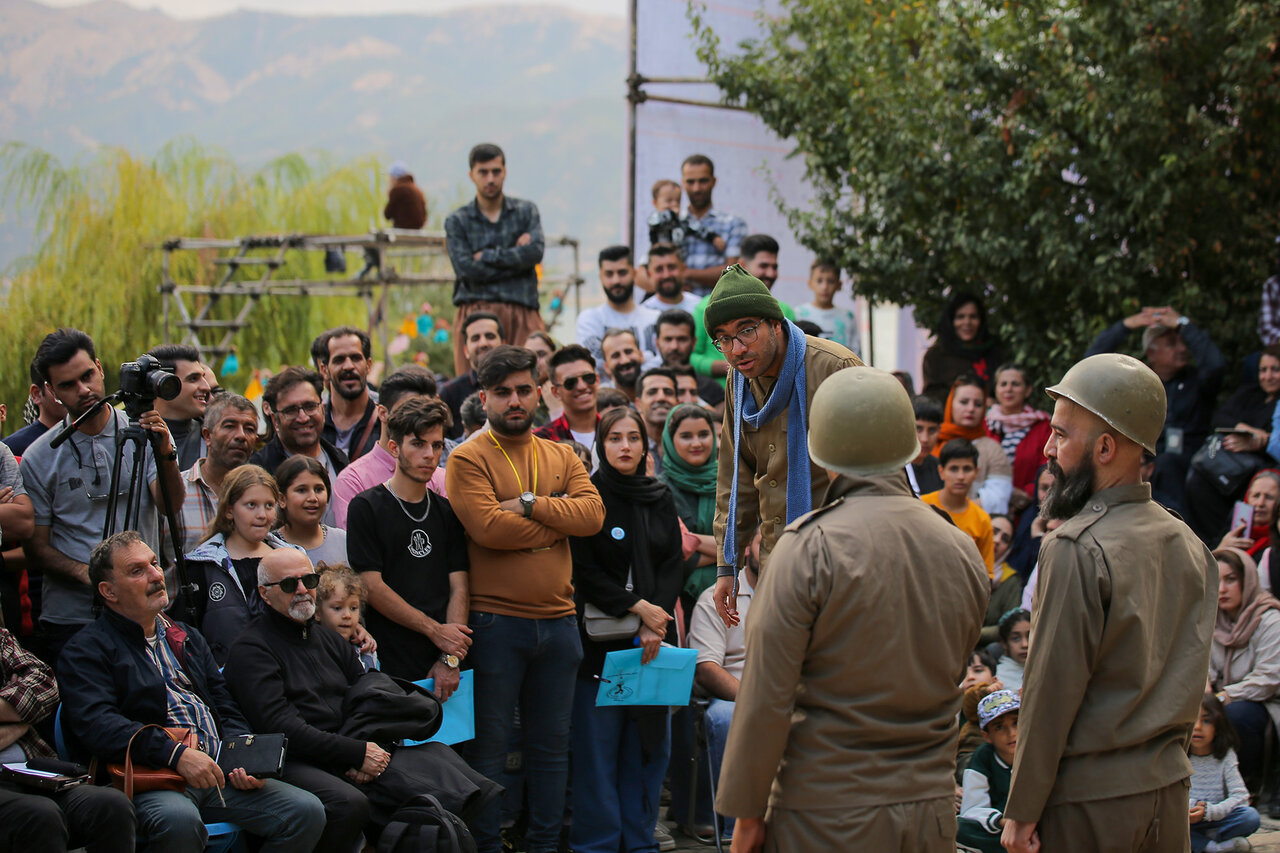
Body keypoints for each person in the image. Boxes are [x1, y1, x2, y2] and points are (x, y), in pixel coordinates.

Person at [715, 366, 988, 851]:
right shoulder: (960, 547)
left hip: (826, 810)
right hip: (930, 807)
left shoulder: (807, 547)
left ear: (821, 451)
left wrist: (747, 815)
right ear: (909, 446)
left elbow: (765, 698)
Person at [1001, 353, 1218, 853]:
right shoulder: (1189, 543)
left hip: (1090, 803)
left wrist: (1022, 811)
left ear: (1104, 447)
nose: (1048, 450)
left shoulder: (1075, 547)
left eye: (1061, 434)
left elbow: (1050, 693)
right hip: (1167, 792)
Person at [58, 532, 326, 853]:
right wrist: (177, 755)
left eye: (155, 564)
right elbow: (98, 724)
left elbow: (225, 703)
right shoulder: (85, 650)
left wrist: (241, 758)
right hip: (153, 778)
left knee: (306, 811)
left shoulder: (185, 635)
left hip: (217, 770)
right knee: (179, 821)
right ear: (108, 591)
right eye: (137, 570)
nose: (157, 576)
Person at [223, 547, 500, 853]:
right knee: (350, 802)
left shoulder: (327, 638)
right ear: (264, 594)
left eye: (309, 580)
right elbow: (279, 726)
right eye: (290, 585)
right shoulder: (252, 649)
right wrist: (354, 753)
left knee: (445, 770)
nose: (302, 591)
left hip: (351, 743)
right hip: (296, 757)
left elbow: (366, 692)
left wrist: (368, 747)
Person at [443, 344, 605, 853]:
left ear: (539, 392)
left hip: (559, 624)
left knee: (553, 749)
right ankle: (488, 845)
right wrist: (556, 526)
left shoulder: (560, 454)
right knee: (490, 750)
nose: (514, 400)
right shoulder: (467, 457)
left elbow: (594, 516)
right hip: (495, 625)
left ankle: (541, 845)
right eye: (502, 392)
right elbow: (488, 529)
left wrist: (533, 505)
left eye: (522, 390)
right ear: (484, 397)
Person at [706, 264, 861, 628]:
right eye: (723, 339)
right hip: (778, 559)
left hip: (842, 559)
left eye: (746, 331)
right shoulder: (738, 380)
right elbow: (734, 473)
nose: (736, 349)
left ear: (775, 323)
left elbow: (872, 477)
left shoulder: (835, 368)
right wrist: (727, 566)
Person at [21, 328, 183, 660]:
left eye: (87, 376)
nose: (84, 390)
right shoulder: (39, 457)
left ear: (100, 367)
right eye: (68, 385)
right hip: (73, 620)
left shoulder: (145, 431)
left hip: (145, 612)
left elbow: (171, 504)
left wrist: (165, 451)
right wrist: (90, 574)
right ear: (50, 391)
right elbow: (36, 548)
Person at [568, 406, 683, 853]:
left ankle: (639, 842)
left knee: (648, 749)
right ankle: (598, 843)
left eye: (633, 438)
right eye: (615, 438)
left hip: (652, 643)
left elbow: (673, 560)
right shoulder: (590, 496)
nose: (625, 447)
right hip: (600, 646)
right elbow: (584, 571)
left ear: (644, 445)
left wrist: (655, 620)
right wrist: (639, 609)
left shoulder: (659, 495)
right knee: (598, 752)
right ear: (601, 444)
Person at [347, 396, 470, 688]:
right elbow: (371, 586)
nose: (430, 454)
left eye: (437, 445)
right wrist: (434, 630)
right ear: (394, 447)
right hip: (390, 658)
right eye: (418, 444)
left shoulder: (447, 511)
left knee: (453, 735)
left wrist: (449, 657)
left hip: (446, 658)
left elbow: (460, 586)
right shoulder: (366, 507)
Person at [0, 626, 135, 853]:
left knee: (111, 805)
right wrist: (21, 719)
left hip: (31, 773)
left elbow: (46, 685)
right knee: (40, 815)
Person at [1085, 305, 1227, 516]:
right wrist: (1126, 326)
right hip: (1144, 462)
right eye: (1171, 344)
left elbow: (1216, 365)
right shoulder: (1136, 382)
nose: (1181, 348)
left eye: (1182, 342)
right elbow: (1091, 366)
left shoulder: (1196, 381)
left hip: (1189, 464)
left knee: (1167, 463)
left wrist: (1184, 325)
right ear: (1152, 352)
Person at [675, 526, 758, 841]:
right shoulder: (719, 598)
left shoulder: (795, 594)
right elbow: (707, 667)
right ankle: (734, 828)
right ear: (748, 549)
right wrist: (752, 699)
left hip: (788, 691)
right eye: (766, 543)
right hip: (733, 693)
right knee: (725, 719)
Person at [181, 465, 300, 665]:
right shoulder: (204, 564)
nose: (262, 514)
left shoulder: (291, 557)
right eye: (251, 505)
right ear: (229, 510)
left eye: (269, 505)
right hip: (228, 677)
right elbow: (187, 632)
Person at [444, 142, 545, 377]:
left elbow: (534, 253)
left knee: (530, 379)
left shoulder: (525, 212)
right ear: (472, 175)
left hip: (522, 310)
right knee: (472, 385)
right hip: (474, 310)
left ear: (505, 172)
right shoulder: (458, 221)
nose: (490, 179)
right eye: (483, 172)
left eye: (496, 171)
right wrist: (515, 258)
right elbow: (466, 269)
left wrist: (486, 256)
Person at [331, 365, 447, 528]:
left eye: (426, 411)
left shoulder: (443, 479)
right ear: (382, 413)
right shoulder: (354, 481)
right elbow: (353, 545)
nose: (420, 420)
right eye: (408, 411)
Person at [1186, 344, 1280, 545]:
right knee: (1197, 481)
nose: (1268, 376)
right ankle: (1211, 544)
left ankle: (1234, 542)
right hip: (1231, 462)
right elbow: (1219, 418)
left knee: (1255, 490)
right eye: (1263, 370)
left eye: (1275, 370)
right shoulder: (1251, 393)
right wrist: (1243, 428)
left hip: (1263, 467)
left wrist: (1261, 442)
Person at [1208, 547, 1280, 786]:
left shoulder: (1270, 619)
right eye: (1215, 580)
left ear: (1247, 579)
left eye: (1230, 580)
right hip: (1221, 698)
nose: (1221, 590)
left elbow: (1268, 679)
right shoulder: (1211, 617)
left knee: (1237, 714)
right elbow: (1201, 663)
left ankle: (1249, 781)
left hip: (1265, 703)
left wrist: (1226, 696)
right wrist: (1205, 690)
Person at [691, 235, 796, 386]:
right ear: (742, 265)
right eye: (763, 266)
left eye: (747, 330)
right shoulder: (706, 308)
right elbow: (692, 356)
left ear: (775, 325)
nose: (771, 274)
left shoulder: (784, 311)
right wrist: (727, 366)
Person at [249, 367, 348, 525]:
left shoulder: (340, 461)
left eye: (310, 407)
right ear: (275, 420)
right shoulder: (259, 471)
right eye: (291, 410)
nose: (303, 418)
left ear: (322, 409)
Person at [176, 394, 257, 556]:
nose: (241, 435)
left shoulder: (264, 496)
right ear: (207, 436)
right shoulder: (176, 493)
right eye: (229, 426)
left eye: (249, 429)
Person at [661, 404, 720, 607]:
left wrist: (689, 541)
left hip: (738, 596)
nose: (696, 443)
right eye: (686, 436)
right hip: (678, 599)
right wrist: (730, 552)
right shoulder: (659, 491)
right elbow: (668, 555)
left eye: (704, 434)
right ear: (670, 441)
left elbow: (749, 543)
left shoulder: (735, 483)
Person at [1188, 693, 1262, 853]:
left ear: (1218, 724)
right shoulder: (1178, 755)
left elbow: (1241, 797)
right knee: (1161, 824)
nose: (1198, 727)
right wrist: (1193, 807)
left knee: (1250, 817)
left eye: (1206, 720)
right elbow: (1168, 798)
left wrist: (1209, 812)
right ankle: (1214, 847)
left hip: (1217, 818)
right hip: (1185, 821)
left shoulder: (1225, 755)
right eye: (1193, 720)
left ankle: (1203, 842)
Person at [933, 375, 1014, 514]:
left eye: (978, 404)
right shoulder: (931, 440)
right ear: (950, 403)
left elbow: (998, 498)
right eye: (964, 402)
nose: (971, 409)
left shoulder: (992, 449)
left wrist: (954, 511)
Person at [671, 154, 746, 296]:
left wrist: (686, 274)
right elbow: (649, 270)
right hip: (678, 311)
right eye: (690, 182)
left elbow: (732, 273)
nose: (697, 188)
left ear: (714, 181)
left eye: (703, 181)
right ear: (682, 183)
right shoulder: (672, 223)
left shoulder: (733, 223)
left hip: (718, 311)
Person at [956, 690, 1020, 853]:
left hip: (1032, 822)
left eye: (1016, 723)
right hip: (999, 828)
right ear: (987, 736)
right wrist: (1000, 821)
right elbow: (971, 808)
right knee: (958, 828)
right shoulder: (983, 757)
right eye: (999, 727)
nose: (1011, 733)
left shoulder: (1036, 750)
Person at [576, 245, 660, 368]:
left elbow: (662, 361)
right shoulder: (589, 320)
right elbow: (592, 364)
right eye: (609, 274)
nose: (616, 281)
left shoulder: (654, 318)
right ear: (601, 277)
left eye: (622, 273)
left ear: (634, 273)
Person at [921, 438, 996, 576]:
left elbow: (986, 574)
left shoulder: (982, 520)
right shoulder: (922, 507)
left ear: (976, 472)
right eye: (954, 469)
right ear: (941, 471)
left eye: (967, 469)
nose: (961, 476)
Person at [921, 291, 1005, 403]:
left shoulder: (994, 352)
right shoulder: (936, 355)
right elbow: (931, 396)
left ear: (981, 321)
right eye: (960, 317)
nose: (967, 322)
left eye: (973, 316)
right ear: (951, 321)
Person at [985, 363, 1051, 497]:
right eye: (1003, 384)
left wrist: (1028, 493)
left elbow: (1049, 466)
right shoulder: (985, 424)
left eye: (1015, 384)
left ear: (1028, 390)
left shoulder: (1043, 426)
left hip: (1030, 503)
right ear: (996, 390)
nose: (1008, 389)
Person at [317, 326, 380, 463]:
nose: (348, 366)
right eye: (339, 360)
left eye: (355, 358)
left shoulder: (387, 418)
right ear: (324, 369)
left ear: (368, 365)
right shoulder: (313, 421)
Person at [145, 344, 211, 470]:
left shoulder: (212, 439)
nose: (206, 387)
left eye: (203, 377)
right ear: (165, 385)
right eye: (193, 379)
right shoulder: (131, 438)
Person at [274, 455, 347, 567]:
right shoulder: (271, 545)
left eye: (319, 489)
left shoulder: (343, 540)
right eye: (302, 490)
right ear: (282, 499)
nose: (313, 498)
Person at [440, 311, 503, 439]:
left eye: (490, 336)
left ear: (504, 344)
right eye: (475, 338)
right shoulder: (449, 394)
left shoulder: (518, 388)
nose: (483, 343)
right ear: (465, 351)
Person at [534, 344, 601, 460]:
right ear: (556, 392)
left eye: (588, 377)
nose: (582, 386)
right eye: (571, 382)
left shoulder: (617, 432)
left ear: (597, 380)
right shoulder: (541, 441)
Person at [654, 309, 725, 410]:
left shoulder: (713, 391)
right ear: (657, 343)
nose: (674, 346)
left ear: (694, 342)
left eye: (682, 339)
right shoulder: (646, 386)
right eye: (668, 339)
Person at [315, 562, 378, 671]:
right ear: (317, 613)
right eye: (337, 608)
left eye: (353, 608)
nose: (347, 615)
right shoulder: (313, 651)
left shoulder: (366, 650)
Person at [3, 357, 68, 456]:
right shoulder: (12, 449)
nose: (80, 390)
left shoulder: (92, 437)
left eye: (84, 378)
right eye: (63, 385)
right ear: (36, 394)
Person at [795, 259, 859, 356]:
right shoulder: (798, 314)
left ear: (839, 285)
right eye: (819, 281)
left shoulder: (848, 317)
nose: (824, 287)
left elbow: (856, 355)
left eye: (830, 281)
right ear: (810, 283)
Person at [979, 516, 1024, 645]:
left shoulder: (1010, 581)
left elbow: (1008, 625)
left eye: (1005, 539)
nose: (997, 540)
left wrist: (974, 633)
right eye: (994, 531)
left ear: (1008, 549)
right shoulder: (959, 560)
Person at [1219, 469, 1280, 559]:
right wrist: (1221, 549)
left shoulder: (1276, 545)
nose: (1260, 503)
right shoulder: (1233, 533)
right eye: (1256, 496)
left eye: (1269, 497)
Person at [635, 367, 677, 474]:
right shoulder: (629, 446)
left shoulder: (687, 444)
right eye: (652, 392)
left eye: (668, 392)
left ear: (678, 402)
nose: (661, 398)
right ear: (638, 404)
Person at [640, 242, 702, 314]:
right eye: (659, 269)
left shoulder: (700, 309)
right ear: (650, 274)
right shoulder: (643, 313)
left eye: (671, 267)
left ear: (683, 269)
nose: (666, 275)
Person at [908, 395, 945, 496]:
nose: (925, 439)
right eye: (919, 429)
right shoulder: (892, 469)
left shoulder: (940, 469)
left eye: (932, 430)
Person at [599, 328, 647, 401]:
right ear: (606, 367)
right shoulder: (599, 401)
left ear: (641, 355)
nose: (624, 361)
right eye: (616, 356)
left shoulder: (659, 390)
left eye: (628, 352)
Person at [993, 608, 1030, 691]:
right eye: (1016, 638)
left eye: (1030, 636)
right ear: (1004, 643)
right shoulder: (997, 677)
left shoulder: (1049, 670)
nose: (1025, 645)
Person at [384, 160, 427, 229]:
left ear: (394, 178)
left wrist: (390, 195)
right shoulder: (417, 190)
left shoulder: (397, 190)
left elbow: (387, 214)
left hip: (402, 230)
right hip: (418, 230)